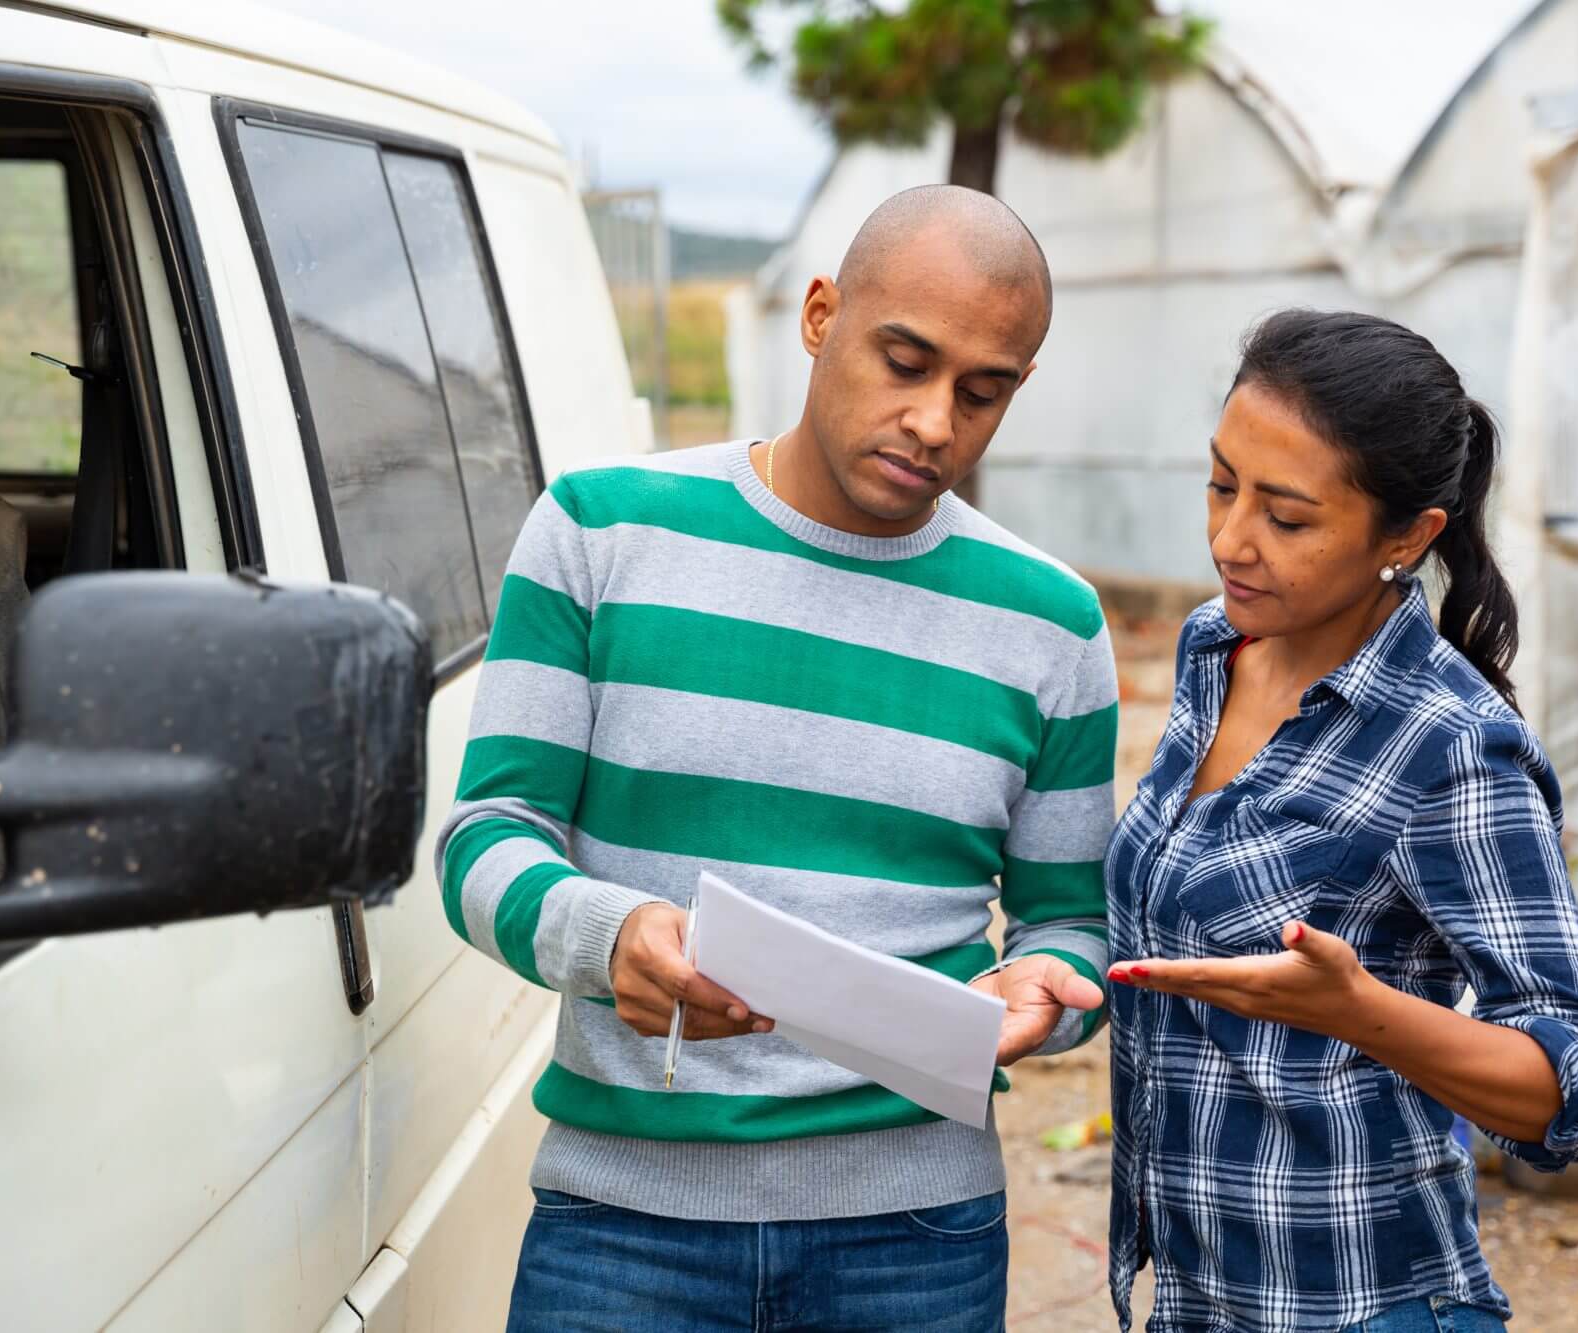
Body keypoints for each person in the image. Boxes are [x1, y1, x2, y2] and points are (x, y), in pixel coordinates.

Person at [436, 185, 1119, 1332]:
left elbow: (1068, 922)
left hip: (916, 1242)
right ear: (817, 317)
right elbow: (484, 839)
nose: (933, 421)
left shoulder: (1052, 623)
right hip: (622, 1227)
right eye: (902, 359)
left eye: (980, 391)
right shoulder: (598, 534)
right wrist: (611, 935)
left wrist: (1057, 989)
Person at [1103, 310, 1578, 1332]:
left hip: (1358, 1302)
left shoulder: (1449, 748)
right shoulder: (1213, 647)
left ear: (1407, 536)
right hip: (1199, 1300)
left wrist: (1357, 1010)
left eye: (1286, 517)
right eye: (1220, 485)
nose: (1228, 539)